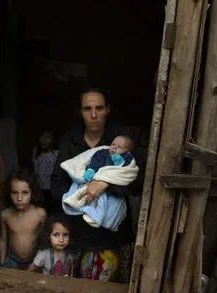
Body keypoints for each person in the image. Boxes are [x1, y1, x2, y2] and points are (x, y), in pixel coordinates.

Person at [50, 87, 145, 282]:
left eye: (99, 108)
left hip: (113, 236)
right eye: (87, 109)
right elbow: (57, 183)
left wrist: (105, 184)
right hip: (77, 234)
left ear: (108, 110)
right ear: (80, 111)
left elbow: (138, 182)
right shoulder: (70, 139)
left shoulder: (121, 141)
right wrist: (79, 197)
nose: (94, 115)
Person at [61, 135, 138, 230]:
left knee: (102, 198)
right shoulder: (103, 153)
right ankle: (74, 201)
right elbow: (94, 162)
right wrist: (91, 170)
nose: (114, 147)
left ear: (127, 152)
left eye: (119, 147)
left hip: (109, 181)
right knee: (81, 187)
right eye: (113, 144)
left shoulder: (127, 157)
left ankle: (95, 216)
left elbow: (126, 171)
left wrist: (119, 162)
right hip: (94, 178)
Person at [0, 169, 47, 270]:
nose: (19, 198)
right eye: (14, 192)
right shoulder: (6, 215)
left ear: (32, 193)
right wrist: (2, 262)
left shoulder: (40, 214)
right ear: (9, 193)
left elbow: (45, 240)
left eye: (25, 192)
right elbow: (3, 239)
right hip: (11, 261)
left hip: (34, 262)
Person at [32, 129, 59, 213]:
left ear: (53, 140)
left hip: (53, 189)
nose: (43, 140)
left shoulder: (56, 154)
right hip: (40, 189)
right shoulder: (36, 153)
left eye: (47, 137)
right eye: (42, 137)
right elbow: (34, 170)